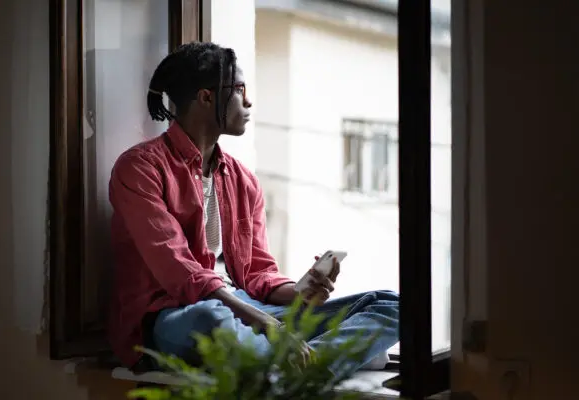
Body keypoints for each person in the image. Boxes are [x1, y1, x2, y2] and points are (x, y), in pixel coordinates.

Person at [108, 41, 399, 375]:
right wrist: (264, 321)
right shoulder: (139, 169)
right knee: (210, 316)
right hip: (177, 316)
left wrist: (300, 292)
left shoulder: (243, 180)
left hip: (249, 311)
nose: (248, 102)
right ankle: (330, 359)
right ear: (206, 97)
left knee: (394, 304)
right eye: (239, 90)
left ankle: (301, 365)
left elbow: (258, 274)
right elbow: (179, 272)